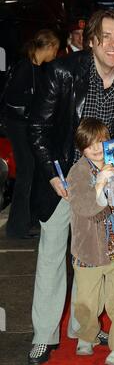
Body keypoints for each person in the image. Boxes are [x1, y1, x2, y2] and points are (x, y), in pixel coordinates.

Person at [27, 9, 114, 365]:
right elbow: (37, 129)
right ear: (90, 40)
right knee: (54, 255)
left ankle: (83, 327)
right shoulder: (62, 72)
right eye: (104, 36)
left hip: (107, 178)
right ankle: (44, 335)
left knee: (102, 255)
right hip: (66, 180)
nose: (112, 44)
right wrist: (52, 175)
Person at [67, 118, 114, 365]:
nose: (96, 149)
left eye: (100, 142)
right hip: (88, 250)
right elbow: (86, 208)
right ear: (81, 148)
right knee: (86, 300)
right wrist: (99, 184)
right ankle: (87, 335)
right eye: (89, 145)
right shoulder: (77, 172)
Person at [3, 29, 60, 239]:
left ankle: (26, 222)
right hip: (19, 126)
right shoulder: (25, 68)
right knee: (26, 173)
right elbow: (14, 99)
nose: (56, 52)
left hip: (24, 125)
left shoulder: (37, 68)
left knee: (31, 172)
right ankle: (17, 227)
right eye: (55, 47)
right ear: (47, 47)